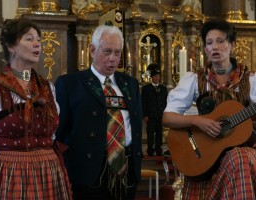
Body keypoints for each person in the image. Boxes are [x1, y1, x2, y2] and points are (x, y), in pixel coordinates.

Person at [0, 17, 72, 200]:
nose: (37, 44)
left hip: (48, 171)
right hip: (10, 174)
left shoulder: (48, 88)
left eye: (39, 39)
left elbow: (51, 134)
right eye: (29, 39)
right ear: (11, 47)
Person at [163, 18, 256, 199]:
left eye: (221, 41)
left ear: (232, 45)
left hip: (243, 153)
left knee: (240, 158)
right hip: (205, 156)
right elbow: (168, 118)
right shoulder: (194, 79)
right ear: (205, 49)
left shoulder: (250, 80)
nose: (215, 47)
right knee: (239, 159)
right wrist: (197, 120)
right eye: (210, 43)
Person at [55, 24, 142, 200]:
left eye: (117, 53)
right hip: (88, 171)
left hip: (126, 169)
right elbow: (58, 131)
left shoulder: (130, 84)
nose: (113, 59)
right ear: (92, 50)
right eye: (107, 52)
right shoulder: (70, 84)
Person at [141, 64, 167, 156]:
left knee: (159, 134)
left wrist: (165, 114)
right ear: (151, 77)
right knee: (150, 134)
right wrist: (145, 115)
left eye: (158, 76)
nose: (157, 78)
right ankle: (150, 150)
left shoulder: (163, 89)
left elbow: (165, 102)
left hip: (160, 115)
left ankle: (158, 149)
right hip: (150, 116)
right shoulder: (146, 89)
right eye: (155, 76)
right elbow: (143, 103)